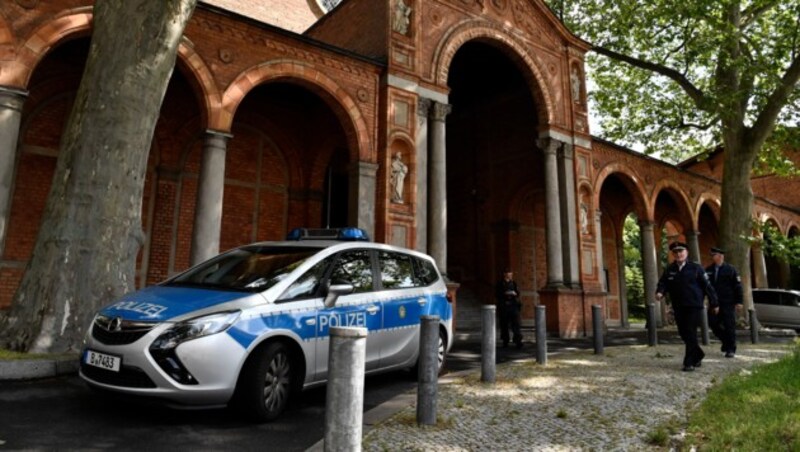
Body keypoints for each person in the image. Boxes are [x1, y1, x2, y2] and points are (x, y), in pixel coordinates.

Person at [656, 241, 718, 371]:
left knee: (690, 331)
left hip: (694, 305)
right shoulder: (670, 269)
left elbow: (707, 286)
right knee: (683, 332)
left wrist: (714, 302)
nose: (678, 254)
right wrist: (660, 292)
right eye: (676, 252)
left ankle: (688, 362)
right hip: (678, 305)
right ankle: (699, 354)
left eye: (681, 251)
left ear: (686, 252)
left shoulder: (696, 268)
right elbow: (663, 283)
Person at [705, 247, 743, 358]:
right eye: (712, 255)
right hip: (714, 302)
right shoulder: (709, 269)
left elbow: (737, 286)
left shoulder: (731, 269)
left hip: (728, 302)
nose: (712, 257)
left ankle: (731, 349)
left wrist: (739, 301)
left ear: (721, 256)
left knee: (729, 325)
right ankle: (726, 341)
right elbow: (706, 286)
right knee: (712, 323)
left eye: (714, 255)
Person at [495, 268, 523, 349]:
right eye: (509, 274)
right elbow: (497, 294)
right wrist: (504, 293)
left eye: (511, 275)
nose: (510, 276)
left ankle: (518, 341)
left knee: (516, 324)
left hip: (513, 305)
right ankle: (505, 341)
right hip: (504, 306)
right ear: (505, 274)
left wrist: (515, 293)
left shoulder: (514, 283)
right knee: (504, 324)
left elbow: (518, 293)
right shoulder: (500, 284)